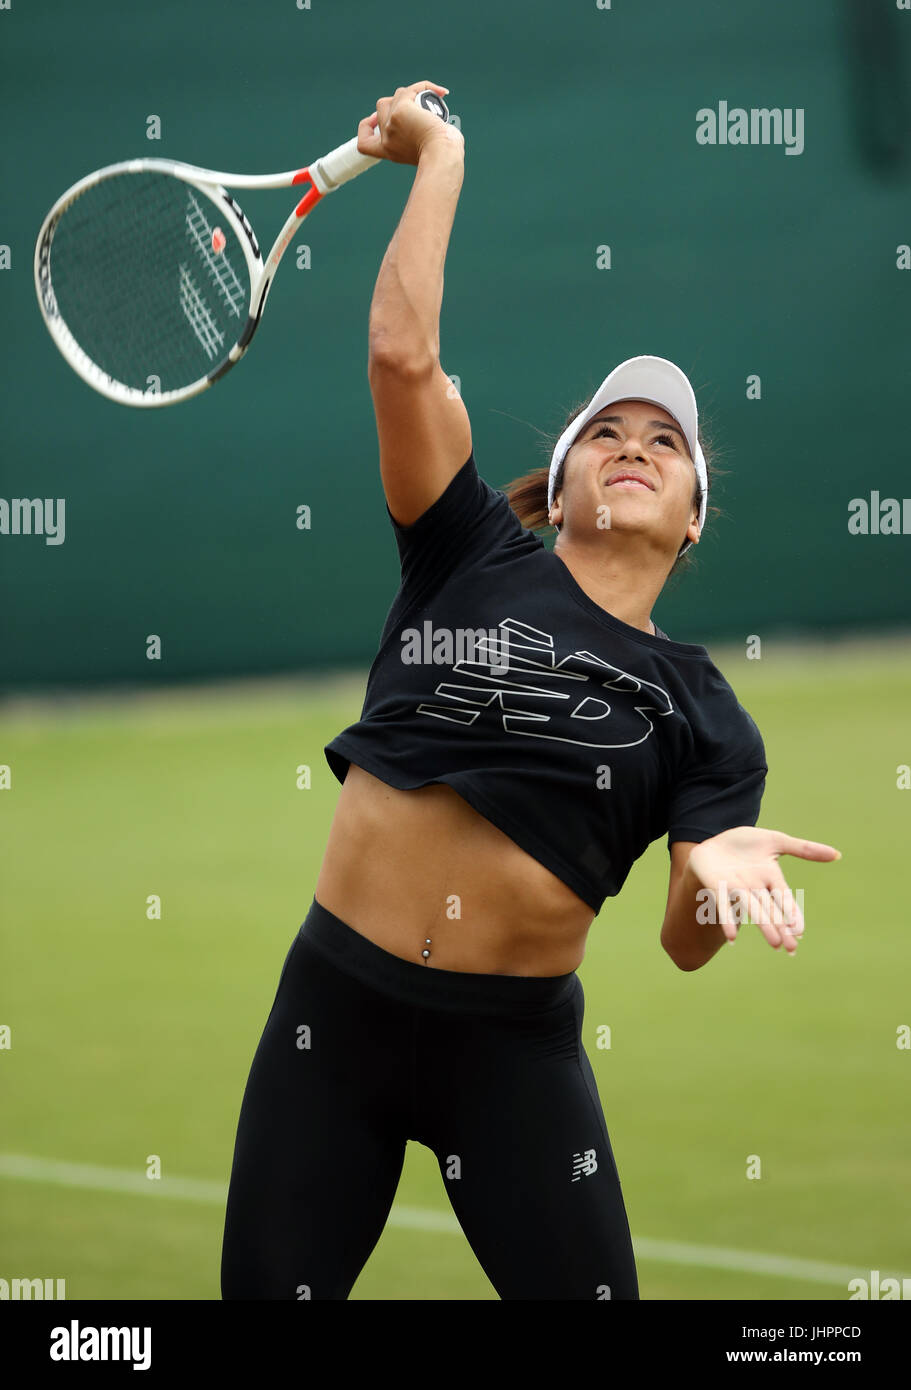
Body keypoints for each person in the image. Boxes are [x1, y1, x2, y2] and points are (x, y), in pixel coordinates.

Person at [220, 81, 841, 1301]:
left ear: (691, 515)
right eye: (604, 431)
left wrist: (711, 883)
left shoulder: (704, 708)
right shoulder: (466, 551)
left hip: (507, 1058)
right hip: (329, 1017)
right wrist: (437, 157)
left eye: (664, 443)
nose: (632, 445)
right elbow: (402, 356)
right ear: (557, 487)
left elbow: (675, 942)